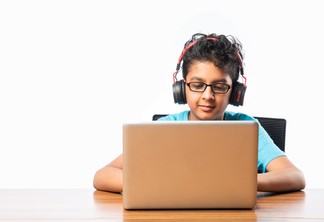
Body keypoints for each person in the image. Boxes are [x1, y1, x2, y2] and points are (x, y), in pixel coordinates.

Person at [93, 33, 305, 193]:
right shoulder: (165, 129)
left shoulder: (248, 129)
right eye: (197, 85)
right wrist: (155, 184)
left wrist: (241, 183)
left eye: (220, 86)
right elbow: (102, 176)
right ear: (181, 88)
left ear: (235, 93)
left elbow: (295, 176)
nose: (208, 95)